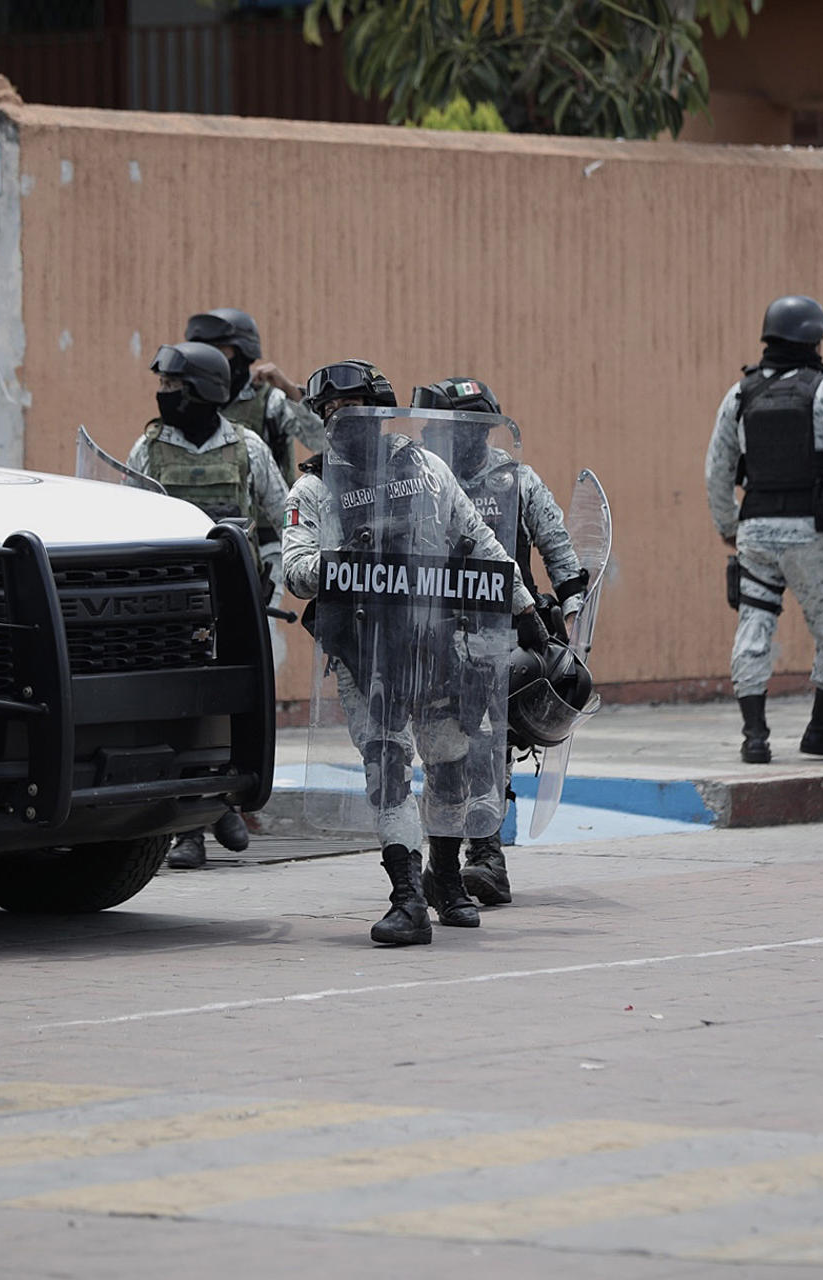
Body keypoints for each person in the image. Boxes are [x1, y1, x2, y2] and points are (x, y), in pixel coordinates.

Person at [283, 359, 547, 944]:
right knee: (388, 767)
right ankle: (406, 898)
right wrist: (346, 558)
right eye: (328, 411)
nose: (337, 418)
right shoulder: (314, 487)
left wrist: (526, 611)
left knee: (450, 761)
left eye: (347, 407)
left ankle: (446, 879)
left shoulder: (426, 469)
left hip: (434, 640)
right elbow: (295, 570)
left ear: (379, 411)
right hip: (363, 650)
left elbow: (479, 540)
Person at [413, 376, 588, 907]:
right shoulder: (421, 480)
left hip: (508, 632)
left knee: (491, 744)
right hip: (438, 632)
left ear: (482, 430)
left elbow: (558, 548)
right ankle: (445, 860)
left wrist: (572, 617)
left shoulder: (517, 480)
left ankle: (487, 856)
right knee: (445, 748)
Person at [128, 340, 290, 869]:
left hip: (235, 603)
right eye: (163, 385)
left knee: (231, 709)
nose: (163, 393)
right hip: (172, 607)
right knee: (179, 711)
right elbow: (128, 521)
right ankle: (190, 828)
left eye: (173, 385)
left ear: (202, 389)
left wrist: (274, 582)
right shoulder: (148, 449)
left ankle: (222, 801)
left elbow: (286, 517)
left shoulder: (247, 448)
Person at [705, 295, 823, 764]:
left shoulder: (740, 394)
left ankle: (755, 736)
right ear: (813, 340)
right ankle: (822, 729)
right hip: (815, 532)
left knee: (754, 624)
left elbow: (717, 470)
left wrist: (729, 525)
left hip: (756, 532)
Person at [185, 308, 325, 484]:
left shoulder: (269, 401)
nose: (213, 361)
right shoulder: (189, 401)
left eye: (220, 351)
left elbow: (322, 442)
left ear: (243, 353)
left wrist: (289, 390)